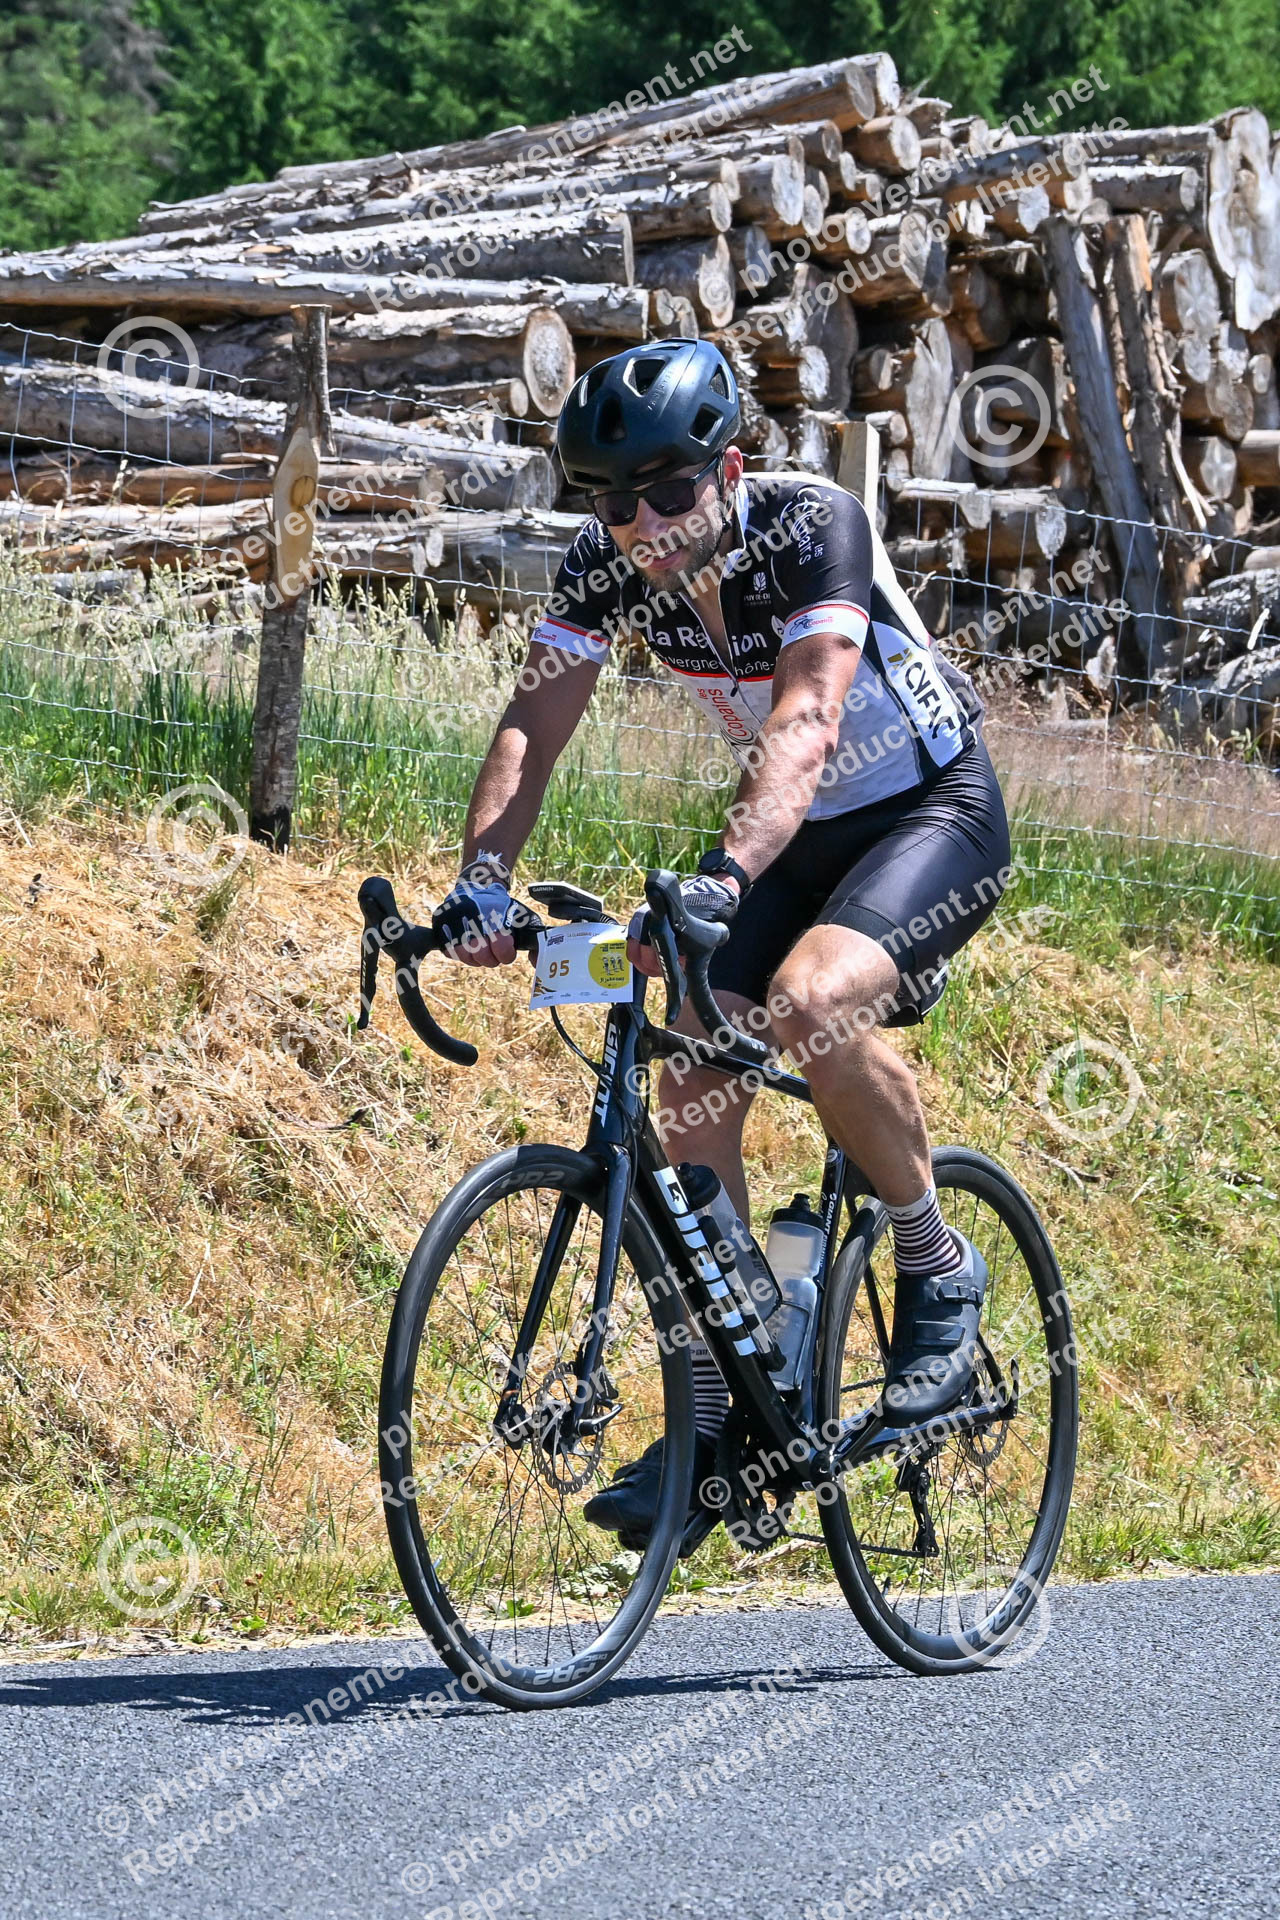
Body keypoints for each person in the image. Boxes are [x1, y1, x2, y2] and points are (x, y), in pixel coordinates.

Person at [432, 337, 1012, 1548]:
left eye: (668, 490)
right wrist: (480, 880)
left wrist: (722, 877)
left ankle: (934, 1257)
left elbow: (806, 718)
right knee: (688, 1075)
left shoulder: (809, 526)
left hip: (924, 811)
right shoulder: (606, 562)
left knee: (809, 1002)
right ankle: (721, 1416)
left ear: (728, 471)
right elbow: (534, 723)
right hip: (786, 836)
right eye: (612, 500)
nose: (641, 522)